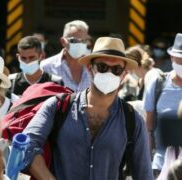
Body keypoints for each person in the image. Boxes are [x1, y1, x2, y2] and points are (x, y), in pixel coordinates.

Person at [23, 37, 153, 179]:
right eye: (102, 67)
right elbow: (25, 146)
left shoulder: (133, 120)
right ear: (90, 68)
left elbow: (144, 174)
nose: (109, 73)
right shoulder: (58, 107)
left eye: (116, 69)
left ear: (124, 74)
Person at [144, 33, 182, 178]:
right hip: (160, 164)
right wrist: (147, 161)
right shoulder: (158, 83)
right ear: (172, 58)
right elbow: (148, 127)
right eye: (180, 60)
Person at [40, 20, 92, 92]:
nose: (79, 44)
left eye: (83, 41)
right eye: (74, 40)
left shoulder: (94, 67)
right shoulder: (46, 67)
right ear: (63, 41)